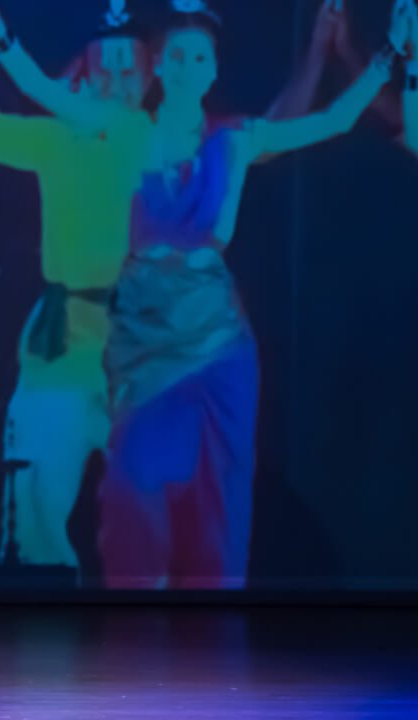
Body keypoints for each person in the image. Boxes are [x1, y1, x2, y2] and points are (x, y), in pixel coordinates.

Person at [96, 0, 411, 589]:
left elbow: (335, 120)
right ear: (159, 64)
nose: (188, 68)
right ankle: (134, 627)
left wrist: (389, 53)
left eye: (200, 59)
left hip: (219, 349)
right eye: (178, 56)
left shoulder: (235, 138)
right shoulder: (125, 133)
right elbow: (46, 99)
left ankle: (214, 629)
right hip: (145, 348)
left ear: (213, 70)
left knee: (218, 511)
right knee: (136, 496)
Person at [0, 0, 151, 574]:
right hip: (60, 348)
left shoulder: (151, 140)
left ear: (150, 78)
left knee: (143, 525)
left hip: (142, 352)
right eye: (105, 68)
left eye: (129, 69)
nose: (115, 82)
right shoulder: (58, 141)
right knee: (36, 521)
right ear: (84, 74)